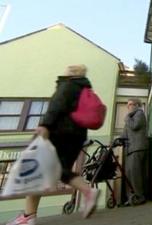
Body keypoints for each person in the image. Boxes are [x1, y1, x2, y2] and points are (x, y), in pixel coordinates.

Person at [7, 65, 100, 225]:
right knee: (59, 170)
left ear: (70, 72)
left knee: (38, 168)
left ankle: (28, 217)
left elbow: (56, 105)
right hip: (77, 136)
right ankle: (87, 191)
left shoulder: (68, 85)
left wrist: (45, 125)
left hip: (59, 132)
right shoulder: (84, 89)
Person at [121, 98, 149, 205]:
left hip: (138, 148)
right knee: (130, 174)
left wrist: (127, 118)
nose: (129, 107)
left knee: (136, 174)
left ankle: (140, 197)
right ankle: (132, 197)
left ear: (137, 105)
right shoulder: (130, 118)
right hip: (130, 150)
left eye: (131, 104)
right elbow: (125, 134)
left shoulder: (139, 114)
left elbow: (135, 126)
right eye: (127, 105)